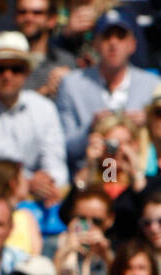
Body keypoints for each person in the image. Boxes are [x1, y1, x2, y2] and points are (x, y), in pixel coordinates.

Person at [0, 32, 68, 194]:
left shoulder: (44, 108)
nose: (7, 75)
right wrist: (25, 183)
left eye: (16, 69)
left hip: (35, 196)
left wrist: (46, 182)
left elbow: (57, 169)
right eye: (0, 69)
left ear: (27, 71)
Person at [56, 9, 161, 167]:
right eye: (106, 36)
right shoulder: (72, 84)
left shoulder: (153, 84)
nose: (113, 43)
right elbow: (62, 148)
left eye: (120, 36)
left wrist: (151, 123)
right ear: (95, 43)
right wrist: (90, 129)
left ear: (132, 44)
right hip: (91, 173)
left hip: (137, 171)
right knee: (108, 170)